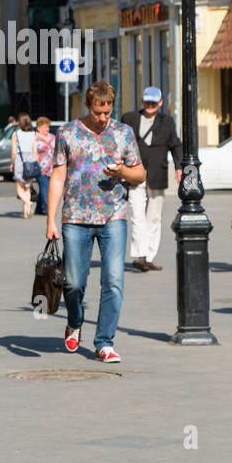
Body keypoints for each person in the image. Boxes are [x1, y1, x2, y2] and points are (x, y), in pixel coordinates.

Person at [46, 81, 145, 362]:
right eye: (98, 112)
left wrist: (124, 171)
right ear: (87, 106)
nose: (103, 118)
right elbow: (57, 176)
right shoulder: (67, 133)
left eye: (108, 112)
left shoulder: (123, 133)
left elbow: (140, 174)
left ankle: (104, 341)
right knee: (73, 283)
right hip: (75, 218)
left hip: (113, 216)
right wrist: (51, 220)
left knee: (113, 280)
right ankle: (75, 321)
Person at [120, 87, 183, 272]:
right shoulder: (129, 118)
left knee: (154, 217)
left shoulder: (167, 121)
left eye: (154, 102)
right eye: (147, 101)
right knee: (137, 215)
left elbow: (175, 144)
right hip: (134, 173)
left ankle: (148, 255)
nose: (150, 105)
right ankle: (140, 255)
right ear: (142, 101)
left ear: (160, 102)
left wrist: (179, 167)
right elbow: (119, 142)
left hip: (158, 174)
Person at [10, 114, 38, 219]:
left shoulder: (15, 134)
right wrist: (36, 163)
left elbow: (13, 151)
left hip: (20, 159)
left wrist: (12, 163)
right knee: (27, 187)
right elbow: (35, 151)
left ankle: (28, 202)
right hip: (31, 160)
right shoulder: (34, 134)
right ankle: (25, 212)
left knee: (19, 188)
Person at [33, 117, 56, 216]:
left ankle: (39, 208)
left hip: (52, 168)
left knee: (47, 188)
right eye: (44, 127)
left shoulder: (52, 137)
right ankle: (46, 209)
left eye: (48, 127)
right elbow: (32, 152)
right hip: (40, 168)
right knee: (44, 188)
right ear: (38, 128)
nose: (47, 129)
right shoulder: (34, 138)